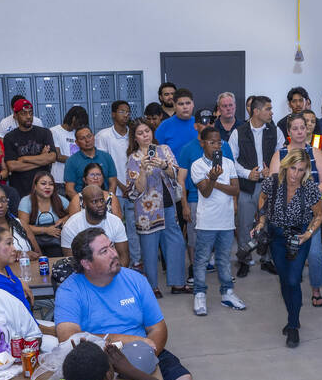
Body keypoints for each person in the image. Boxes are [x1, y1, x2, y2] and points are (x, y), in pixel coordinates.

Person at [55, 228, 196, 380]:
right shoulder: (70, 290)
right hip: (98, 360)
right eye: (104, 251)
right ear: (87, 264)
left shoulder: (135, 280)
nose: (114, 253)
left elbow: (158, 328)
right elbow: (68, 335)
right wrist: (124, 340)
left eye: (112, 246)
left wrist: (149, 352)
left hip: (143, 352)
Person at [255, 150, 322, 347]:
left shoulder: (310, 187)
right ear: (286, 166)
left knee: (294, 279)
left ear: (306, 171)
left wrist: (308, 234)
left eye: (301, 170)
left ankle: (293, 326)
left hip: (298, 236)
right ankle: (293, 314)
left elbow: (319, 214)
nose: (295, 174)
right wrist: (261, 222)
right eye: (293, 168)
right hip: (276, 236)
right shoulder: (272, 182)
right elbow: (262, 201)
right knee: (284, 280)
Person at [268, 113, 322, 307]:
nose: (300, 131)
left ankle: (316, 289)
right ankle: (291, 288)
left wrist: (307, 201)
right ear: (288, 132)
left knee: (316, 254)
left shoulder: (316, 153)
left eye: (303, 127)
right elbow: (274, 184)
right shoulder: (280, 155)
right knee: (288, 254)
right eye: (295, 128)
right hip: (285, 216)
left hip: (312, 213)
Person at [126, 119, 188, 296]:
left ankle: (178, 284)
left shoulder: (164, 150)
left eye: (147, 131)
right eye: (140, 133)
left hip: (169, 205)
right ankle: (152, 287)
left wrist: (164, 165)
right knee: (149, 249)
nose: (145, 135)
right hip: (147, 211)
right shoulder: (134, 158)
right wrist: (144, 171)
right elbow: (132, 192)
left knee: (176, 243)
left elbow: (176, 174)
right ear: (135, 138)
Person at [189, 127, 247, 315]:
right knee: (201, 260)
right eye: (212, 142)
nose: (216, 146)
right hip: (207, 221)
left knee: (223, 259)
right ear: (202, 143)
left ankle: (227, 293)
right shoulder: (197, 165)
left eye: (219, 142)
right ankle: (199, 294)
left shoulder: (228, 163)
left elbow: (235, 190)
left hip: (226, 221)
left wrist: (214, 182)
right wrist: (211, 179)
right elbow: (205, 192)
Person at [229, 95, 283, 278]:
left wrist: (273, 171)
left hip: (269, 186)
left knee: (268, 224)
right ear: (256, 111)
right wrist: (246, 173)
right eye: (268, 109)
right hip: (247, 186)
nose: (271, 112)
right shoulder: (238, 132)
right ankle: (244, 260)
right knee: (244, 225)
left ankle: (266, 260)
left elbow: (282, 155)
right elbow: (231, 160)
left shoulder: (276, 131)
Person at [177, 110, 235, 283]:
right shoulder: (188, 149)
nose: (207, 125)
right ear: (196, 126)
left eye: (210, 121)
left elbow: (233, 179)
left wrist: (235, 202)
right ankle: (195, 270)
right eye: (203, 122)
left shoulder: (224, 146)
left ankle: (222, 271)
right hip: (196, 199)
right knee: (195, 240)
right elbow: (181, 179)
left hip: (224, 200)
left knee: (222, 239)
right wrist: (184, 205)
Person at [95, 100, 138, 265]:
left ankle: (135, 261)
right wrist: (121, 185)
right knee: (115, 229)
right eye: (121, 111)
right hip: (115, 190)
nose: (126, 115)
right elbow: (104, 166)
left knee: (134, 229)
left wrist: (132, 186)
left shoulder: (133, 135)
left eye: (128, 111)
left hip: (134, 190)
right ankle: (113, 261)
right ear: (113, 114)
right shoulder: (104, 136)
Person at [61, 185, 130, 265]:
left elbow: (124, 257)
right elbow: (70, 261)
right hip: (83, 271)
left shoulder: (115, 222)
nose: (100, 205)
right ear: (84, 204)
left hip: (111, 270)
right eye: (94, 202)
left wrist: (115, 275)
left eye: (102, 200)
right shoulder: (70, 226)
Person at [3, 98, 57, 197]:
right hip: (20, 190)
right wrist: (41, 159)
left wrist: (25, 159)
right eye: (23, 113)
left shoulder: (45, 133)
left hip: (43, 189)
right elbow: (12, 166)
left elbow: (52, 157)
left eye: (30, 113)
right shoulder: (9, 137)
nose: (28, 116)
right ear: (15, 115)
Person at [18, 170, 67, 257]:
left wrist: (64, 219)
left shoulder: (59, 199)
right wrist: (46, 230)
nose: (48, 187)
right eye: (43, 184)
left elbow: (75, 213)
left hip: (56, 243)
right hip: (34, 242)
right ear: (35, 186)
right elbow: (22, 226)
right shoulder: (26, 201)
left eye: (51, 184)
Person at [64, 126, 116, 199]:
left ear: (93, 137)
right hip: (82, 202)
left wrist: (108, 200)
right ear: (77, 142)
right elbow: (69, 190)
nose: (87, 140)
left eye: (89, 136)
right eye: (82, 138)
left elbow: (113, 183)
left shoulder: (106, 157)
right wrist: (82, 204)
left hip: (104, 200)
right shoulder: (71, 161)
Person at [50, 106, 89, 187]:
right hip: (60, 180)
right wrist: (78, 160)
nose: (81, 126)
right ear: (74, 119)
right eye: (80, 123)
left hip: (76, 179)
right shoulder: (54, 131)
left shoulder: (78, 133)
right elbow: (58, 156)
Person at [154, 88, 197, 158]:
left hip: (198, 168)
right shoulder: (164, 126)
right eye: (181, 104)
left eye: (188, 103)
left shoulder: (201, 124)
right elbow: (156, 152)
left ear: (193, 104)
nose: (185, 107)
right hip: (173, 168)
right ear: (174, 105)